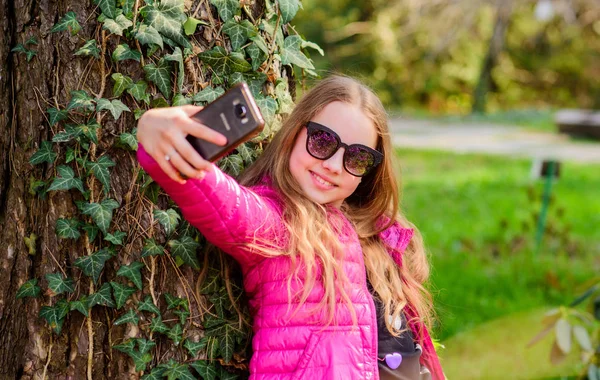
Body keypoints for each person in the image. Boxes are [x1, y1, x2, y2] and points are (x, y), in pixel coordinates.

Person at [136, 75, 444, 380]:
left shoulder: (382, 236)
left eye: (358, 157)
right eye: (323, 141)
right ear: (295, 133)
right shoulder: (279, 223)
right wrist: (158, 140)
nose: (334, 165)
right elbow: (226, 206)